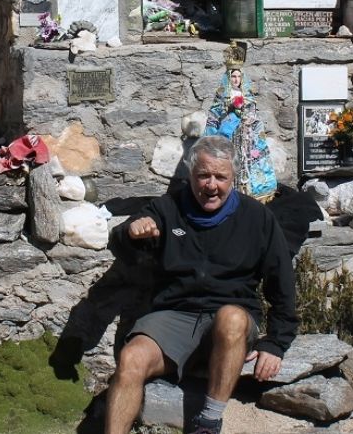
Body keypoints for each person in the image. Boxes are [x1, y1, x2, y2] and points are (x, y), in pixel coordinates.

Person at [105, 136, 298, 434]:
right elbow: (122, 245)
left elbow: (281, 281)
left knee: (231, 318)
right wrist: (131, 232)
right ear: (190, 175)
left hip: (231, 321)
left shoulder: (257, 217)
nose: (211, 185)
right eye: (203, 175)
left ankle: (208, 422)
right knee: (130, 359)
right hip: (174, 315)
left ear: (233, 177)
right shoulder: (168, 208)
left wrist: (276, 343)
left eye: (220, 177)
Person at [204, 45, 277, 203]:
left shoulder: (248, 96)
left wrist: (247, 118)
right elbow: (214, 117)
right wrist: (228, 113)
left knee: (246, 164)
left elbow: (253, 116)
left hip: (245, 138)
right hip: (228, 137)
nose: (236, 80)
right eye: (233, 77)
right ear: (228, 78)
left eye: (238, 77)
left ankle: (247, 193)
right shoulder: (221, 97)